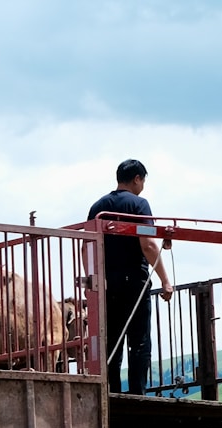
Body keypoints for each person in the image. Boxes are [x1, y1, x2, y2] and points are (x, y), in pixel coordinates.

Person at [87, 158, 174, 394]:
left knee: (111, 340)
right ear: (137, 179)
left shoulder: (98, 207)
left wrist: (94, 279)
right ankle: (137, 393)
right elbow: (148, 245)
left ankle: (111, 392)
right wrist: (165, 280)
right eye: (143, 181)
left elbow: (88, 247)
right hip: (135, 280)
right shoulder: (139, 205)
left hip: (106, 282)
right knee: (139, 341)